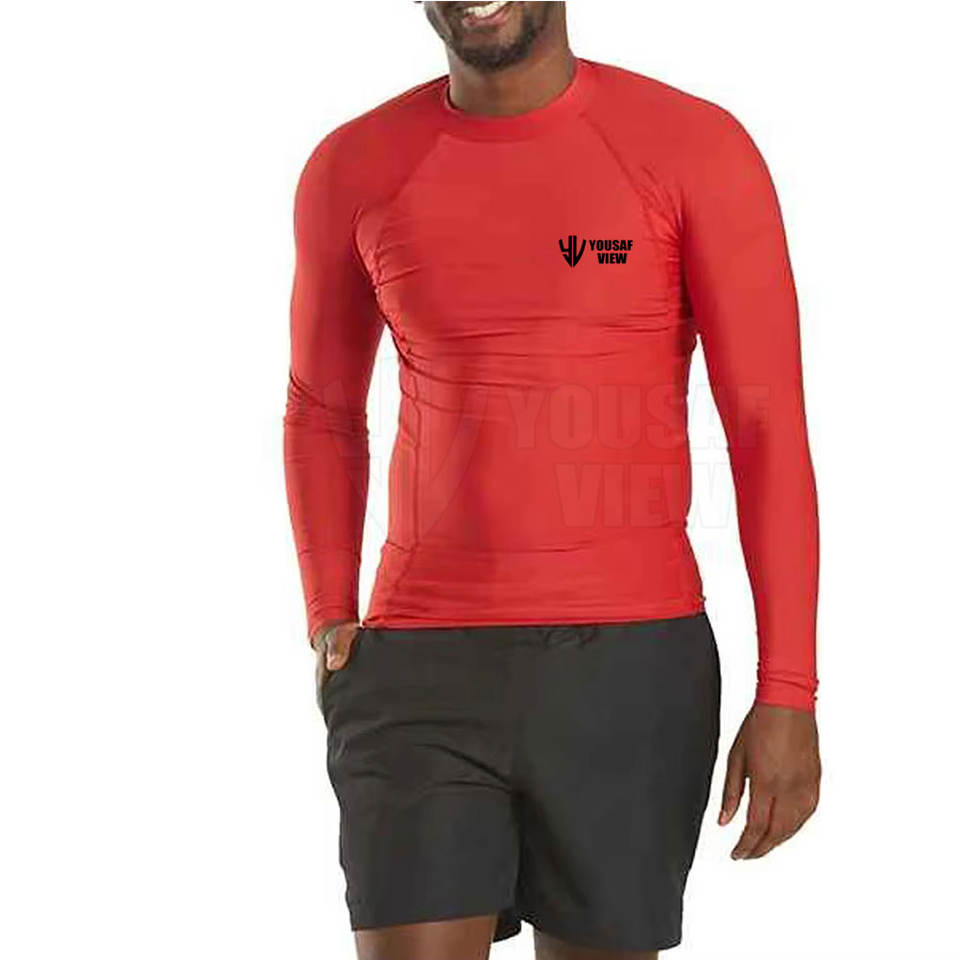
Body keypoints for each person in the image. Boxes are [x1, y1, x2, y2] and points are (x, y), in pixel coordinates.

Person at [284, 3, 821, 958]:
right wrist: (329, 614)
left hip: (629, 667)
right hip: (418, 667)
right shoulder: (353, 166)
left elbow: (765, 425)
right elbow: (321, 408)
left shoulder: (694, 148)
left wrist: (789, 689)